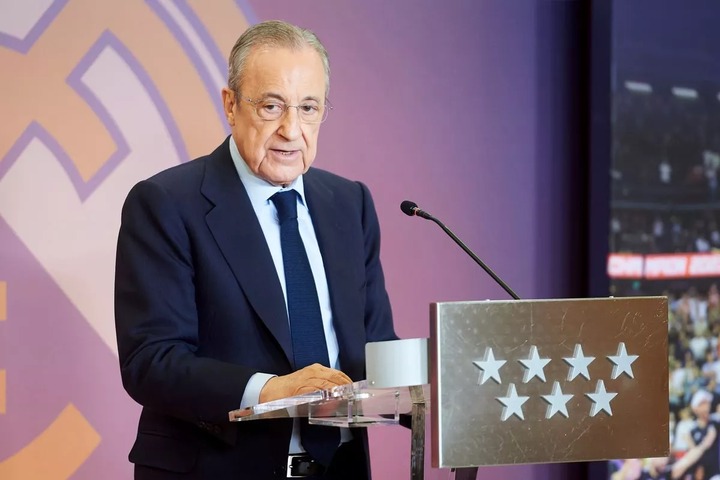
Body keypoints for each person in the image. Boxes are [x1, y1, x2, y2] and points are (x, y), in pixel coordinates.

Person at [114, 20, 396, 479]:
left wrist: (448, 385)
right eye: (271, 106)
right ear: (230, 105)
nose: (291, 129)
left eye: (308, 107)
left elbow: (374, 348)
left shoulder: (350, 203)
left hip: (338, 468)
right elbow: (152, 360)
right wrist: (271, 390)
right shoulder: (166, 203)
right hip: (216, 467)